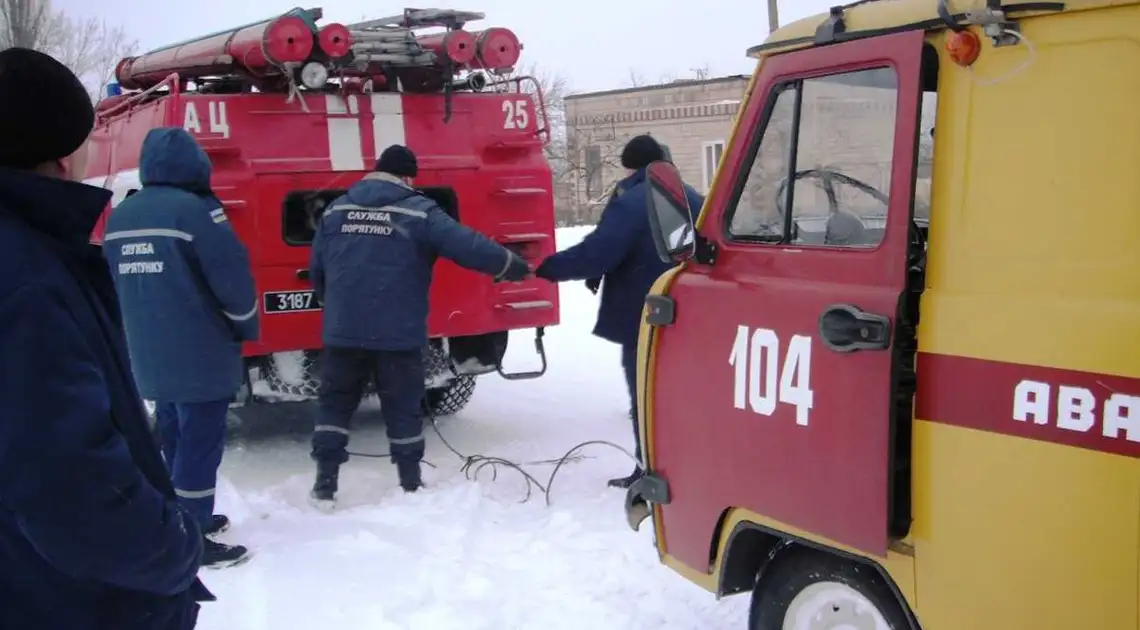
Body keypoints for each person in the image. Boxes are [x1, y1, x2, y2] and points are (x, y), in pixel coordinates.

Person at [0, 48, 211, 629]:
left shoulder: (117, 219)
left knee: (174, 424)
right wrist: (177, 551)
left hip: (158, 357)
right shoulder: (26, 275)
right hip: (67, 600)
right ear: (62, 151)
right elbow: (68, 485)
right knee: (198, 433)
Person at [308, 144, 531, 507]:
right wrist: (511, 265)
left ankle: (324, 486)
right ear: (407, 177)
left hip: (343, 332)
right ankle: (410, 484)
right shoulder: (418, 212)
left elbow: (318, 269)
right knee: (403, 407)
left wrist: (331, 306)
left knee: (334, 406)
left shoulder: (337, 209)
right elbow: (468, 245)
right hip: (397, 334)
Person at [103, 127, 258, 568]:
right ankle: (191, 539)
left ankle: (176, 519)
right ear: (195, 165)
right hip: (199, 350)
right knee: (200, 443)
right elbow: (232, 278)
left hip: (148, 350)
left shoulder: (122, 214)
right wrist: (246, 326)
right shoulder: (197, 213)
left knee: (172, 434)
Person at [535, 134, 704, 489]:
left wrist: (546, 267)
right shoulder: (688, 196)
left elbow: (599, 252)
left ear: (630, 165)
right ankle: (688, 465)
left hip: (643, 314)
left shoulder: (632, 202)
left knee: (645, 393)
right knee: (680, 392)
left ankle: (650, 471)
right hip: (687, 310)